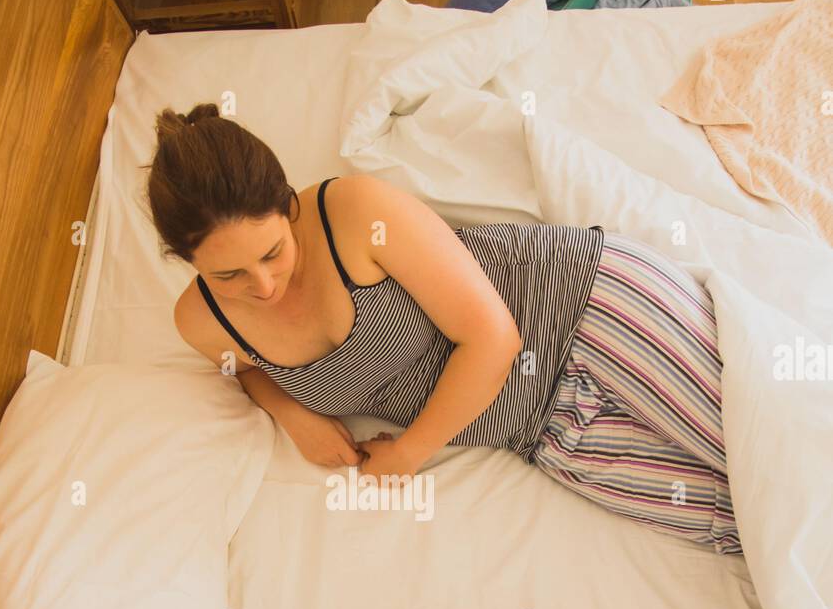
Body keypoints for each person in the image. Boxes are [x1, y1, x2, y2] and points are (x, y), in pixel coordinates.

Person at [145, 104, 741, 554]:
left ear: (288, 206)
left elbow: (493, 337)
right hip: (541, 430)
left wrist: (407, 452)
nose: (265, 286)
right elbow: (246, 372)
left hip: (582, 309)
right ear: (185, 260)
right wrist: (295, 416)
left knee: (758, 456)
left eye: (273, 252)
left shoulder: (354, 215)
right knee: (740, 528)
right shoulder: (201, 321)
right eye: (230, 274)